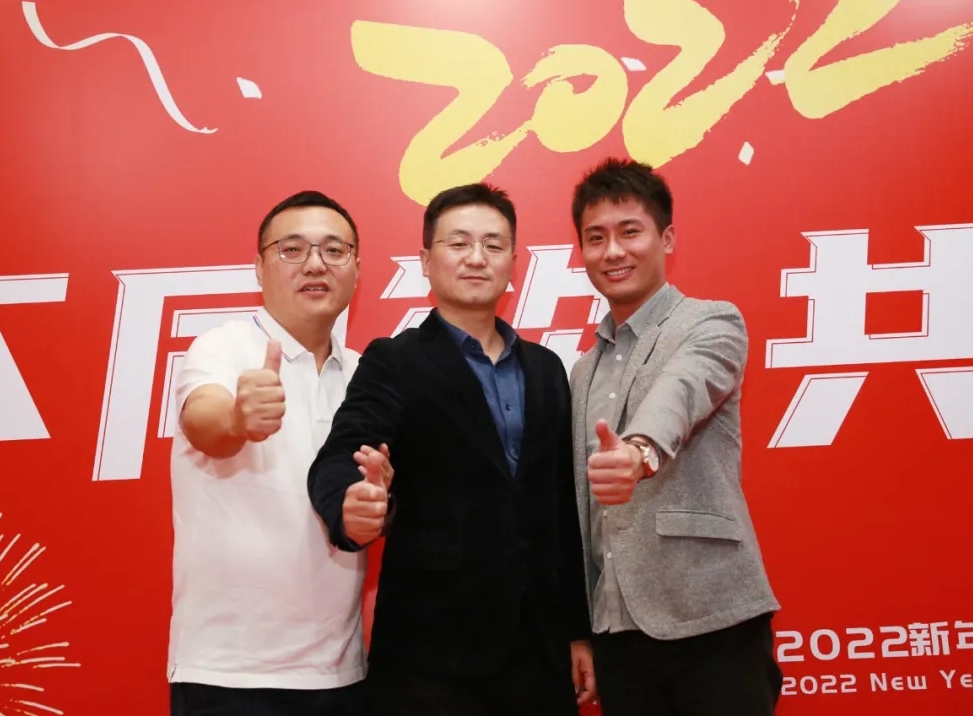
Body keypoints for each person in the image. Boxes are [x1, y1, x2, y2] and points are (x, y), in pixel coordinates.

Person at [307, 183, 596, 716]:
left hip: (538, 653)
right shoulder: (394, 361)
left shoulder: (546, 369)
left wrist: (578, 630)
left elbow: (563, 510)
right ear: (426, 261)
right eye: (458, 243)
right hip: (430, 657)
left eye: (493, 244)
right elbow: (344, 451)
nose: (476, 258)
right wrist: (350, 501)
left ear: (514, 262)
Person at [569, 157, 782, 716]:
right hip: (616, 631)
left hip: (710, 617)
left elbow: (682, 390)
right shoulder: (582, 371)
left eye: (629, 231)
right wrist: (581, 628)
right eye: (596, 238)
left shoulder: (712, 323)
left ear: (666, 239)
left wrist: (639, 452)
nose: (613, 251)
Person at [168, 190, 392, 716]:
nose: (315, 264)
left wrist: (375, 507)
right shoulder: (223, 347)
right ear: (259, 266)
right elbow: (204, 421)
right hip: (229, 675)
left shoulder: (366, 374)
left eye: (334, 250)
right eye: (292, 249)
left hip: (341, 672)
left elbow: (370, 502)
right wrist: (237, 419)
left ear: (357, 269)